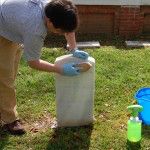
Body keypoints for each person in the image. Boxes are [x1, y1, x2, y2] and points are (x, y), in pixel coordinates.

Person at [0, 0, 89, 135]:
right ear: (50, 22)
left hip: (12, 22)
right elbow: (33, 62)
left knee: (9, 75)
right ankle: (9, 120)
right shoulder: (35, 29)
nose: (60, 33)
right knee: (4, 79)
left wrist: (73, 48)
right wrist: (60, 69)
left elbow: (68, 27)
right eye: (60, 31)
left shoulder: (56, 7)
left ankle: (3, 106)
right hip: (2, 29)